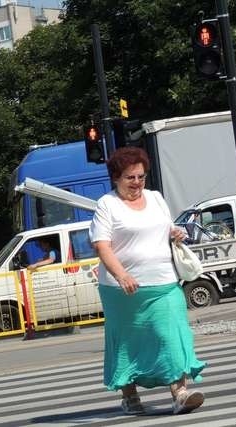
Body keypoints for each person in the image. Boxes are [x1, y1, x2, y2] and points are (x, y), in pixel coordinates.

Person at [89, 147, 206, 415]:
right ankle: (130, 397)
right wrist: (122, 275)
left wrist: (174, 233)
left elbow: (165, 228)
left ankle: (180, 393)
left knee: (171, 335)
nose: (137, 183)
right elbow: (102, 246)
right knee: (127, 342)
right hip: (123, 291)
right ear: (116, 178)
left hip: (164, 282)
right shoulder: (107, 204)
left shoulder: (155, 198)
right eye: (130, 178)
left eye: (141, 177)